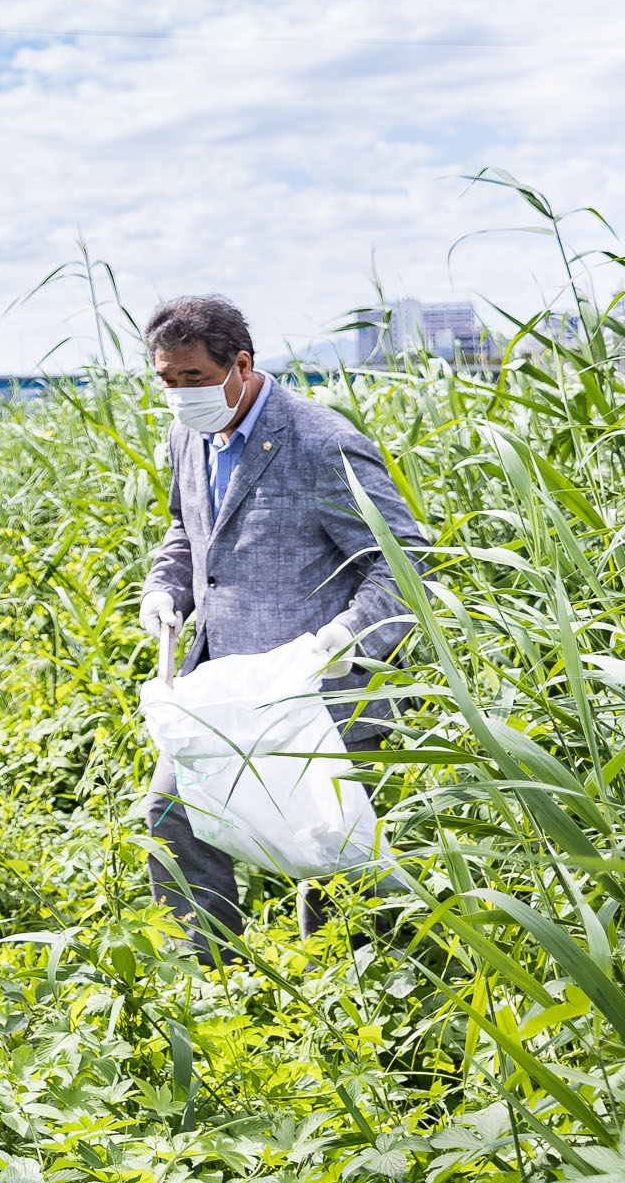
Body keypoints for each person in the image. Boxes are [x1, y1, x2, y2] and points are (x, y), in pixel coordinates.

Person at [136, 293, 422, 955]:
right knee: (172, 817)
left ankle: (360, 999)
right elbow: (187, 533)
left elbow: (402, 563)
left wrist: (344, 639)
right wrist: (165, 588)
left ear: (240, 364)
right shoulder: (188, 435)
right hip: (223, 687)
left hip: (318, 695)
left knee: (332, 854)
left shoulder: (322, 443)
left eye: (194, 380)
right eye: (167, 381)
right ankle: (212, 980)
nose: (180, 396)